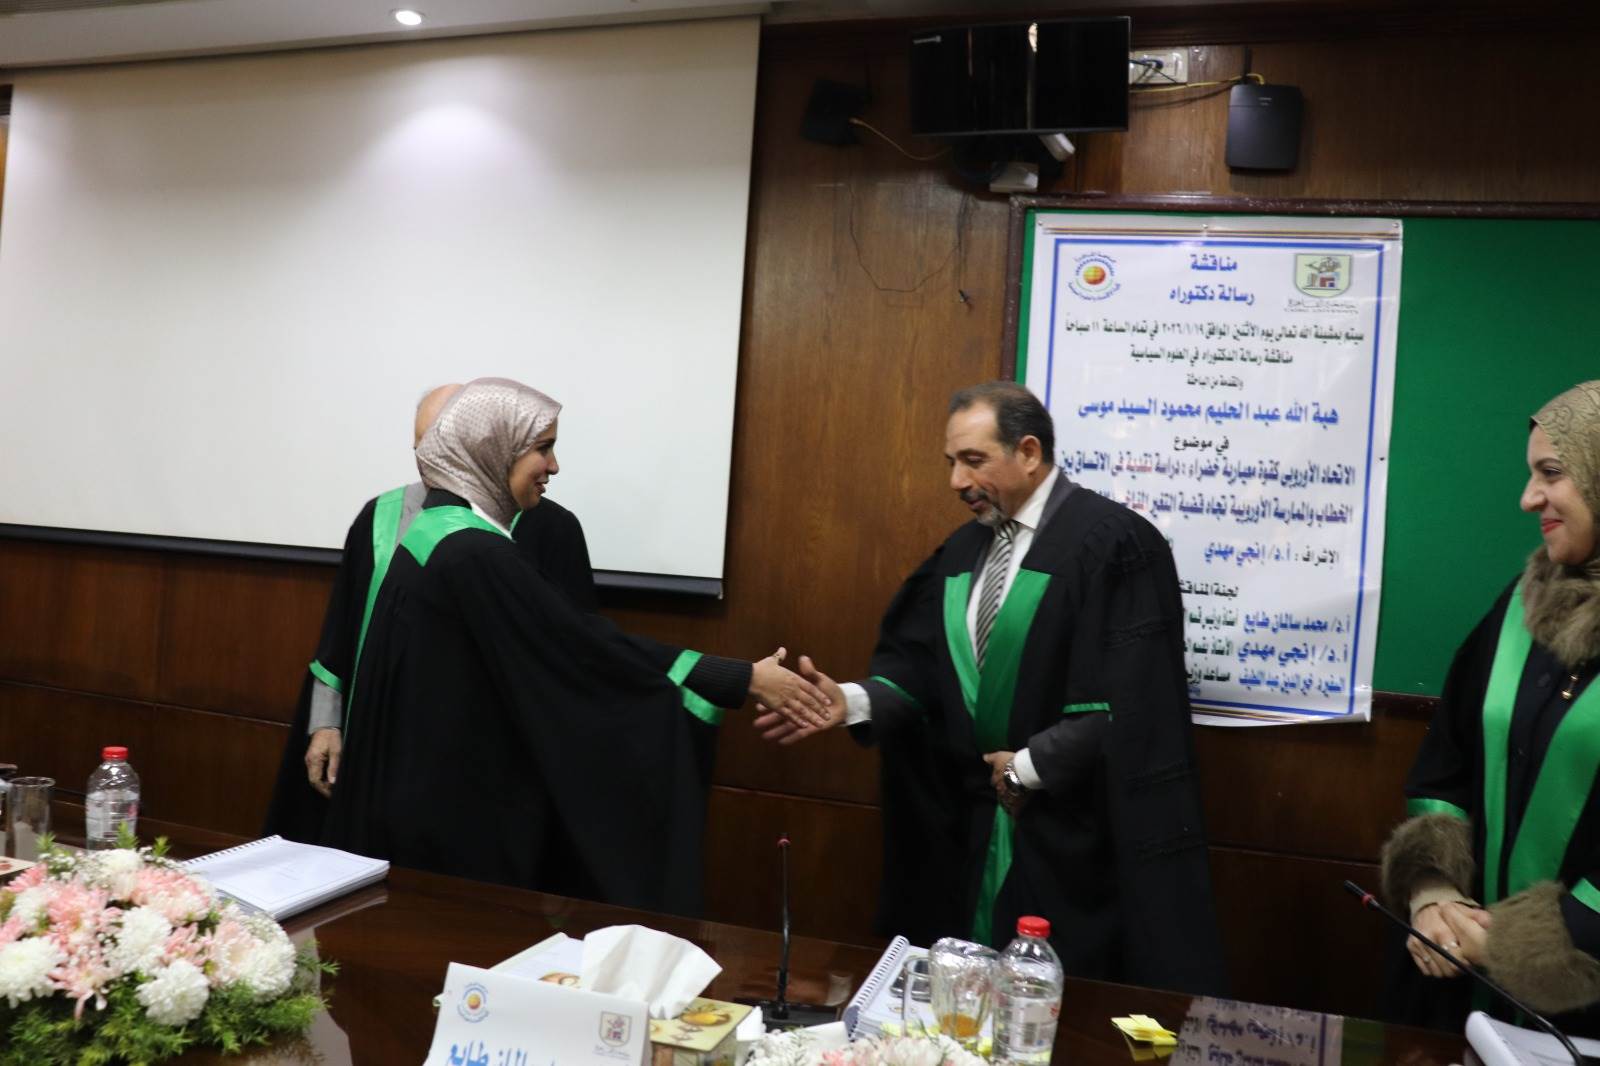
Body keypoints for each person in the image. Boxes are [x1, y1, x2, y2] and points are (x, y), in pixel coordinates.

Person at [758, 381, 1226, 994]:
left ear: (1028, 452)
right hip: (970, 837)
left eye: (973, 460)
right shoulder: (963, 551)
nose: (957, 480)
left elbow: (1132, 701)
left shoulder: (1112, 542)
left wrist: (1025, 769)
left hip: (1073, 839)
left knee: (1054, 1011)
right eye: (951, 462)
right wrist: (851, 701)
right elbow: (926, 672)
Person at [320, 377, 828, 913]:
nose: (554, 466)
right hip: (451, 824)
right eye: (542, 448)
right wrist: (741, 679)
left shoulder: (434, 532)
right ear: (494, 449)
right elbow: (584, 650)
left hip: (419, 800)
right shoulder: (472, 553)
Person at [1383, 380, 1600, 1031]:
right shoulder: (1520, 608)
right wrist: (1434, 893)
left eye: (1552, 474)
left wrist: (1517, 943)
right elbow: (1444, 764)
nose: (1529, 498)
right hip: (1464, 984)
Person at [263, 383, 462, 841]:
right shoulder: (382, 516)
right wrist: (326, 723)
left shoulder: (535, 526)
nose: (427, 459)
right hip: (376, 740)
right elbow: (340, 629)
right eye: (420, 445)